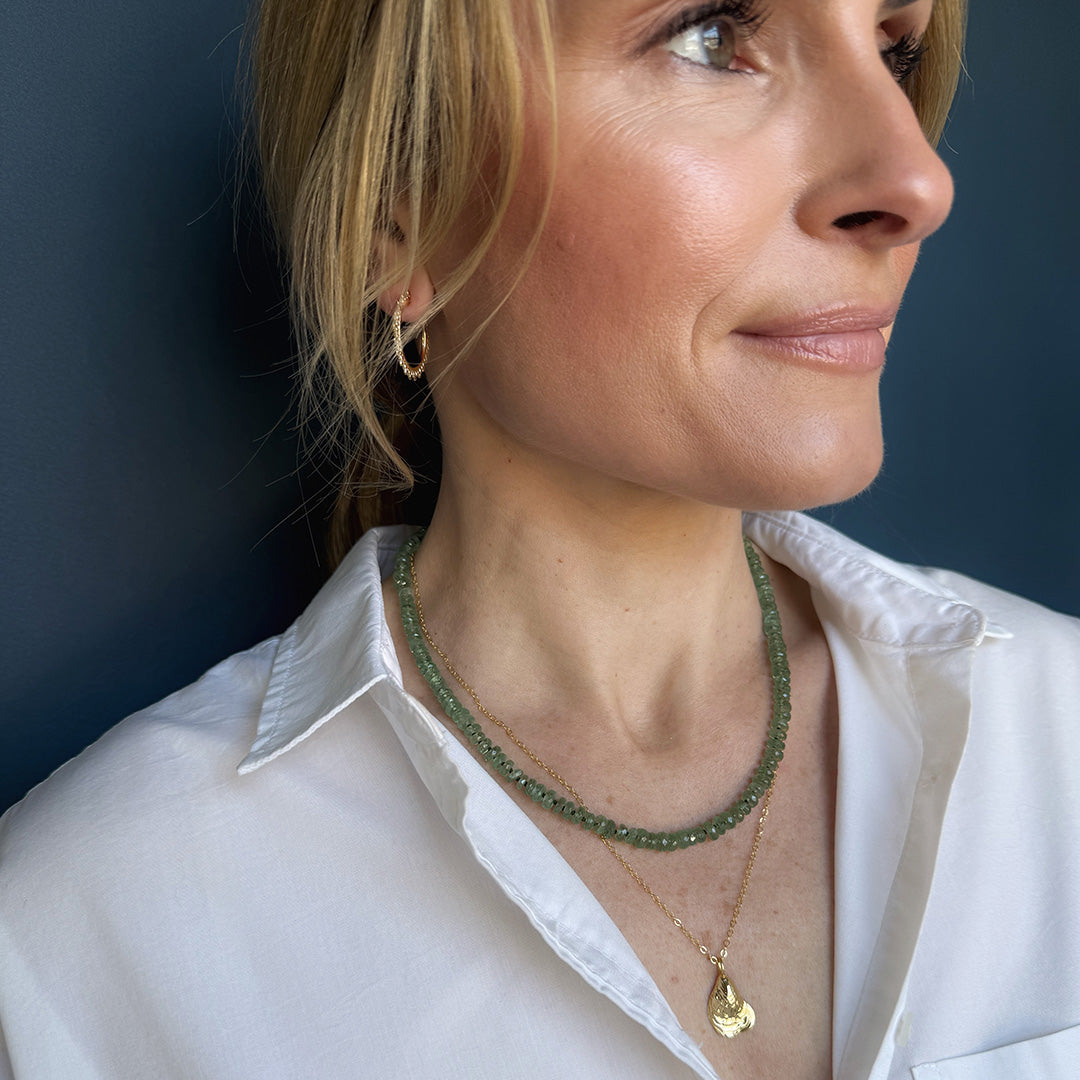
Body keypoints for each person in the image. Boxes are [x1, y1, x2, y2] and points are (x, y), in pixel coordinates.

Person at [1, 0, 1078, 1077]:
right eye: (712, 37)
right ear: (403, 215)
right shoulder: (86, 942)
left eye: (894, 48)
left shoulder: (1057, 736)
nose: (915, 180)